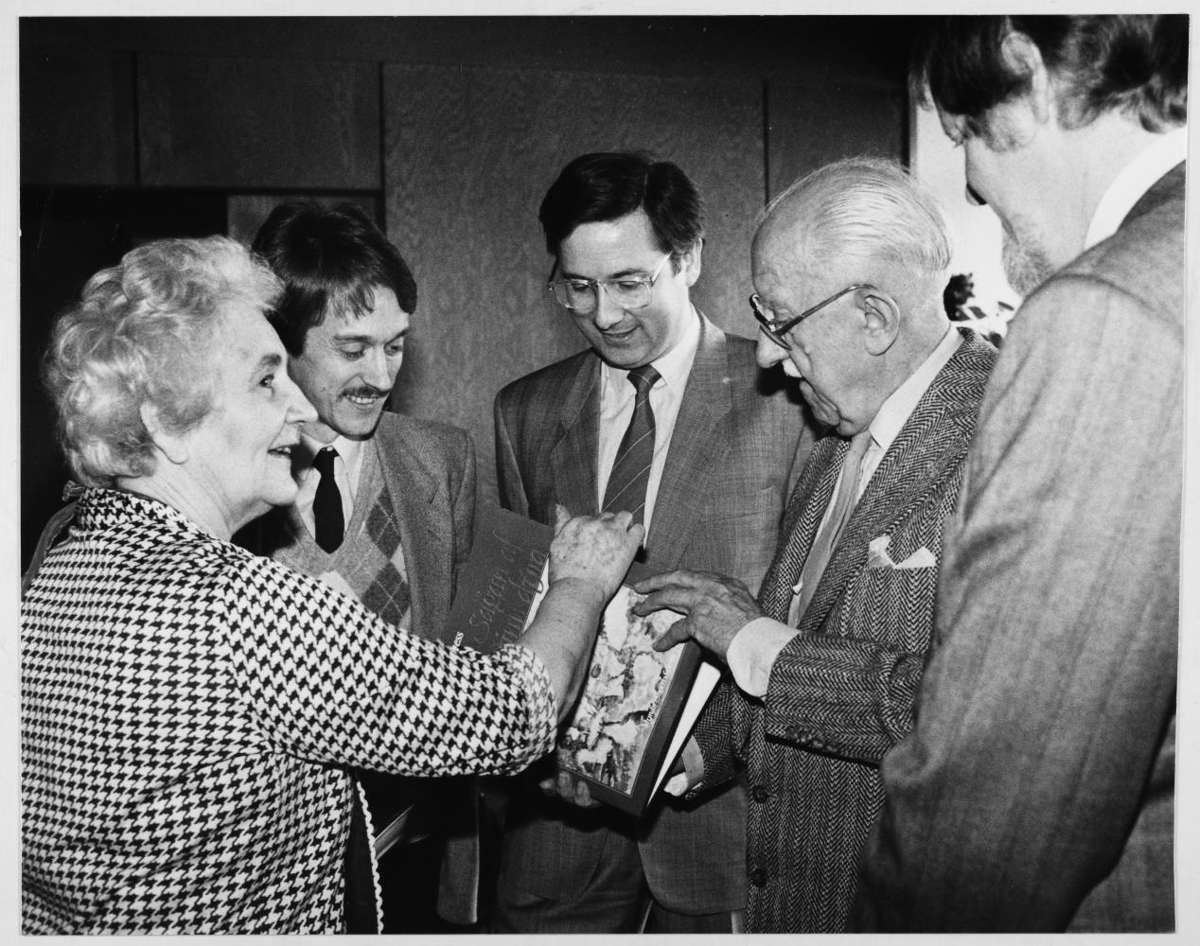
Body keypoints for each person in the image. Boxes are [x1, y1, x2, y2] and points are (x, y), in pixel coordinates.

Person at [20, 235, 643, 934]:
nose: (297, 404)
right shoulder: (240, 606)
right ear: (166, 423)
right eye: (265, 380)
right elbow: (514, 714)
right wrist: (580, 582)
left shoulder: (58, 569)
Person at [852, 15, 1186, 931]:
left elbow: (986, 827)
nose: (968, 180)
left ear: (1024, 67)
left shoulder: (1106, 312)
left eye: (963, 132)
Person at [633, 157, 997, 932]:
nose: (766, 356)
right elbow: (804, 652)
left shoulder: (1002, 439)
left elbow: (968, 716)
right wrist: (684, 754)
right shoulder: (837, 433)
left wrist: (751, 638)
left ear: (874, 316)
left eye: (780, 322)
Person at [490, 151, 802, 933]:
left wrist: (709, 749)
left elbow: (808, 617)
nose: (603, 315)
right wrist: (540, 750)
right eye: (578, 286)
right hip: (557, 828)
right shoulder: (524, 411)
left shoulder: (786, 400)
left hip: (720, 818)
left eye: (630, 283)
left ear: (689, 259)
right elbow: (523, 608)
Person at [244, 200, 478, 930]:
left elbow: (465, 650)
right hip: (276, 869)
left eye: (395, 346)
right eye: (353, 350)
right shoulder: (226, 481)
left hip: (416, 844)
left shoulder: (443, 457)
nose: (381, 375)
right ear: (279, 344)